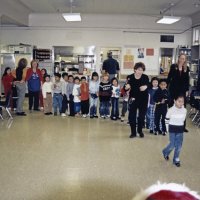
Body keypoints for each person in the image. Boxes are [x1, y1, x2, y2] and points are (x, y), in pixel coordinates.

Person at [125, 62, 149, 138]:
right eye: (138, 70)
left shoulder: (145, 77)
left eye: (142, 70)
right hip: (133, 99)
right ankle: (133, 132)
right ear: (135, 70)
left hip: (143, 99)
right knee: (132, 116)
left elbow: (149, 85)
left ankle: (140, 130)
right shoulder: (130, 77)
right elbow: (125, 88)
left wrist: (146, 86)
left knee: (141, 116)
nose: (140, 71)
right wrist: (126, 87)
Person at [162, 95, 187, 167]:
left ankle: (176, 159)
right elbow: (166, 120)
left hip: (180, 130)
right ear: (174, 101)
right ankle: (165, 152)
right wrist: (167, 130)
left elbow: (182, 120)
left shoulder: (185, 110)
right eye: (179, 101)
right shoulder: (170, 110)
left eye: (182, 101)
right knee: (172, 145)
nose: (181, 103)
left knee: (178, 146)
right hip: (172, 130)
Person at [167, 53, 189, 132]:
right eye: (181, 58)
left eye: (184, 58)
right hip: (173, 90)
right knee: (172, 106)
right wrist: (166, 88)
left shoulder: (187, 68)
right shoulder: (173, 66)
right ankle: (170, 124)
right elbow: (169, 77)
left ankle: (182, 126)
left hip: (182, 90)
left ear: (185, 60)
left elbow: (187, 80)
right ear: (178, 58)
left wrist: (186, 90)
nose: (182, 60)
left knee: (182, 108)